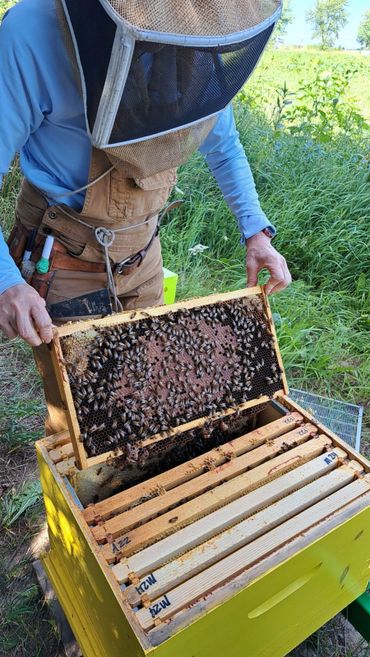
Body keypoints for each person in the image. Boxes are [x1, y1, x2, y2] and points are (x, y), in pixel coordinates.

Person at [0, 0, 291, 431]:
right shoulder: (32, 31)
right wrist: (7, 282)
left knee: (151, 395)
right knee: (85, 422)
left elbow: (222, 142)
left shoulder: (194, 33)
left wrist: (255, 231)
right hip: (60, 256)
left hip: (143, 253)